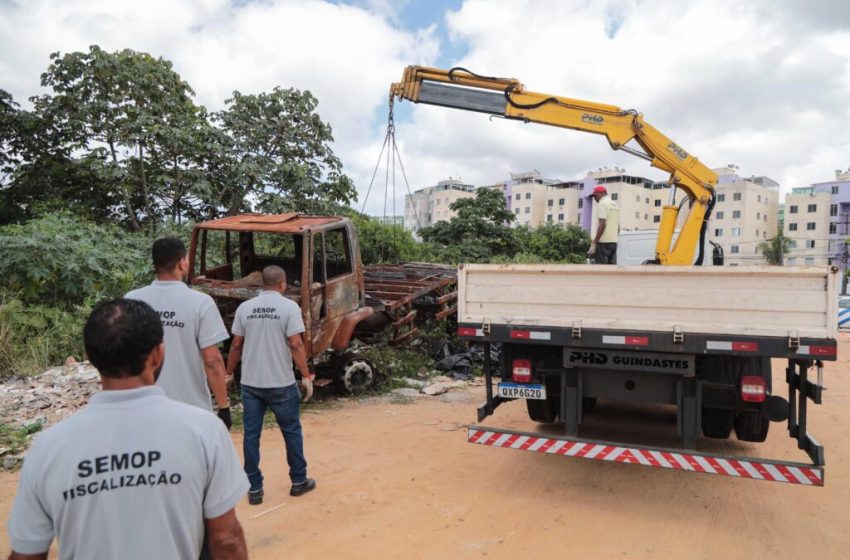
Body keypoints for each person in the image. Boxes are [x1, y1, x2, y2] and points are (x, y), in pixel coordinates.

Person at [6, 299, 249, 560]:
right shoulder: (204, 432)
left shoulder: (48, 447)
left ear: (90, 356)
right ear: (158, 354)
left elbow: (26, 555)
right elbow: (226, 539)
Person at [226, 265, 316, 505]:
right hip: (282, 383)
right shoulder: (289, 308)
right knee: (291, 432)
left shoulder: (245, 308)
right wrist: (306, 375)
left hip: (251, 384)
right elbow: (296, 345)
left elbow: (236, 345)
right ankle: (299, 481)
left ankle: (254, 488)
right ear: (282, 283)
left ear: (262, 283)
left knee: (251, 435)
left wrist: (228, 373)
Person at [126, 237, 232, 428]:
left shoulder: (132, 300)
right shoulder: (201, 303)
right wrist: (223, 406)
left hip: (142, 409)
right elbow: (213, 361)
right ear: (182, 263)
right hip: (192, 410)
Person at [587, 185, 620, 264]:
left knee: (601, 269)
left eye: (595, 195)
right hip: (614, 242)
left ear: (601, 194)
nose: (594, 198)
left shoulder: (602, 203)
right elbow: (618, 226)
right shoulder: (615, 205)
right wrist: (615, 238)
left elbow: (602, 224)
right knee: (611, 269)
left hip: (603, 243)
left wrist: (595, 242)